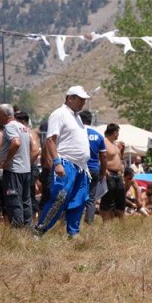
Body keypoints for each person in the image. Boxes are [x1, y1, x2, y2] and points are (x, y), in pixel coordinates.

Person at [33, 86, 91, 239]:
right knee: (60, 198)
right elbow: (50, 140)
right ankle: (39, 230)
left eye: (84, 100)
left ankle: (73, 233)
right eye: (80, 99)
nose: (83, 102)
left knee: (79, 200)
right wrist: (57, 162)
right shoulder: (59, 114)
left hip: (81, 167)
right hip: (66, 163)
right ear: (69, 98)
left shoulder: (77, 117)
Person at [0, 103, 32, 228]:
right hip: (25, 169)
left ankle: (18, 231)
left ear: (4, 114)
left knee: (14, 200)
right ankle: (28, 228)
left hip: (14, 170)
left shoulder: (9, 127)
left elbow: (16, 143)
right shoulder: (23, 127)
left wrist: (6, 161)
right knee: (26, 201)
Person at [80, 111, 106, 224]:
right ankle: (89, 222)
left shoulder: (77, 133)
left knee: (77, 195)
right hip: (94, 169)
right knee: (91, 198)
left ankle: (73, 221)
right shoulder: (99, 136)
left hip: (80, 168)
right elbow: (104, 157)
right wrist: (102, 173)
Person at [100, 124, 125, 220]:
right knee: (107, 198)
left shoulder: (115, 144)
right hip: (109, 173)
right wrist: (105, 170)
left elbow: (119, 158)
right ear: (114, 132)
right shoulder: (104, 142)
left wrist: (122, 150)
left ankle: (121, 220)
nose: (118, 134)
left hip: (118, 174)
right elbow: (99, 157)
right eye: (117, 132)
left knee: (121, 197)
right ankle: (106, 221)